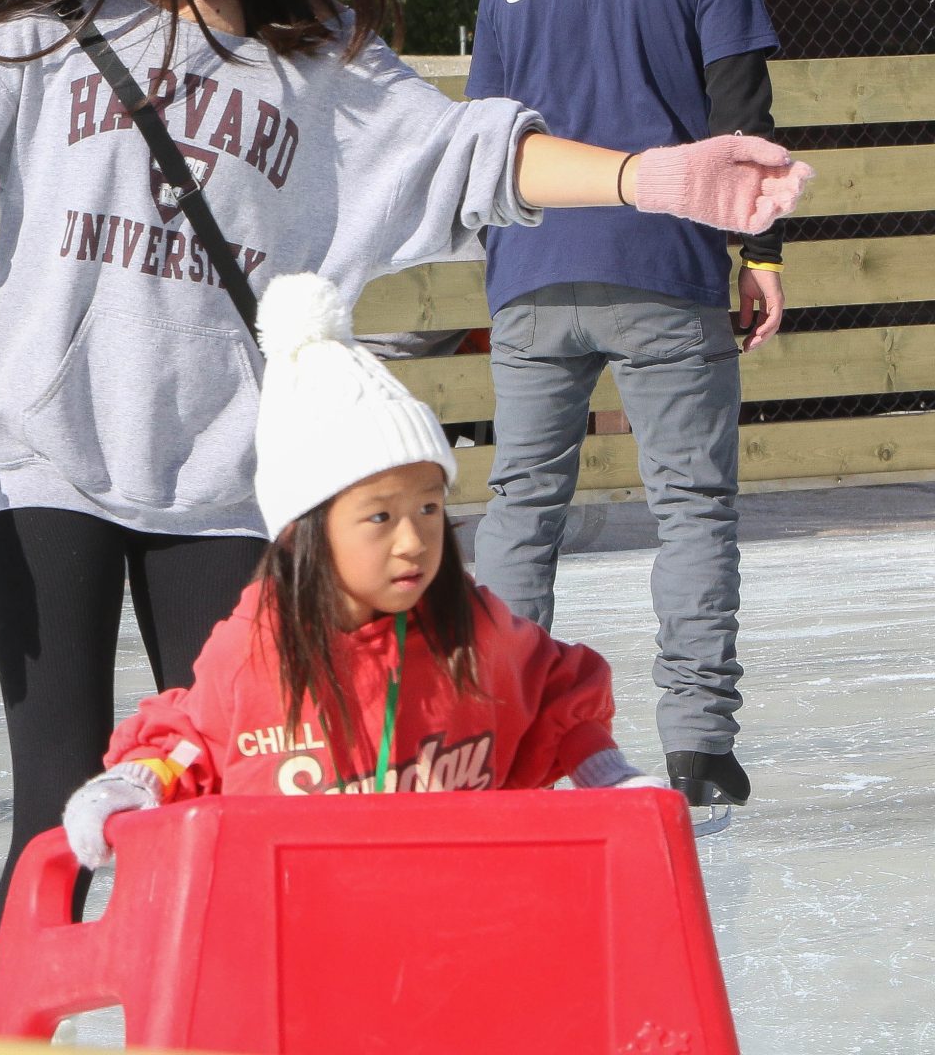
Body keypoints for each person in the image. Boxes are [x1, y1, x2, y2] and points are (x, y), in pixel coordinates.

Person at [0, 0, 810, 944]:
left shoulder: (305, 46)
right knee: (53, 812)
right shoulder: (36, 28)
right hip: (47, 456)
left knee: (241, 811)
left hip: (222, 476)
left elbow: (464, 148)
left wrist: (654, 177)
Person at [61, 274, 665, 868]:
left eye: (429, 507)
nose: (413, 541)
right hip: (306, 937)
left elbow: (556, 695)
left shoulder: (473, 629)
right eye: (379, 516)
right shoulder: (256, 650)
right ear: (306, 530)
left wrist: (604, 773)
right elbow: (192, 739)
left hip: (458, 928)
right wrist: (133, 782)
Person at [468, 0, 788, 814]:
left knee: (523, 503)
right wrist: (763, 252)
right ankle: (698, 746)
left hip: (533, 265)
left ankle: (499, 732)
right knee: (692, 505)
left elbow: (486, 139)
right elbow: (736, 103)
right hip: (661, 264)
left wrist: (501, 270)